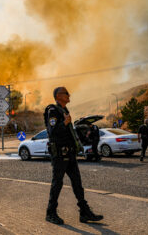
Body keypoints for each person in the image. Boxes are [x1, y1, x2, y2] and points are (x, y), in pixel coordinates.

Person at [44, 86, 103, 225]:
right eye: (66, 93)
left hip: (69, 153)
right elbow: (52, 132)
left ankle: (84, 212)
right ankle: (50, 212)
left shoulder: (64, 110)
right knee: (57, 183)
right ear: (58, 96)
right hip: (60, 153)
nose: (69, 95)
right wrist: (64, 122)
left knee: (77, 183)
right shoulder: (52, 110)